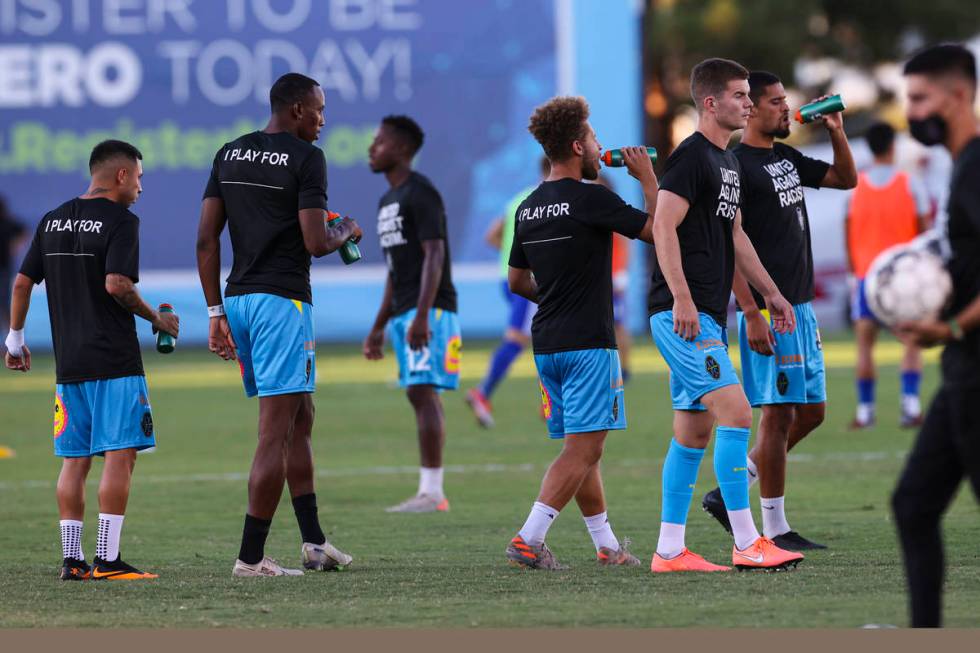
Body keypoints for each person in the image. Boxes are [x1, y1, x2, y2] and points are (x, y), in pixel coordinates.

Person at [197, 72, 362, 577]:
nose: (322, 120)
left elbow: (207, 241)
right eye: (318, 110)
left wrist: (215, 313)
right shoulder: (307, 158)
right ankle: (250, 558)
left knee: (300, 417)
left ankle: (313, 543)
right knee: (274, 434)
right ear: (295, 110)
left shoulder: (230, 152)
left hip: (241, 301)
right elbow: (316, 242)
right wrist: (345, 229)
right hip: (282, 303)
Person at [647, 58, 803, 572]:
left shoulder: (728, 162)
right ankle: (746, 542)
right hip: (683, 315)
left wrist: (773, 295)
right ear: (710, 103)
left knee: (692, 433)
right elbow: (663, 227)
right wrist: (683, 299)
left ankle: (670, 550)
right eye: (740, 95)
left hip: (706, 314)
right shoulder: (689, 159)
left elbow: (736, 237)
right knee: (737, 413)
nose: (749, 104)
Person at [4, 140, 179, 580]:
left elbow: (23, 283)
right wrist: (156, 319)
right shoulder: (122, 221)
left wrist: (14, 338)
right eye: (139, 176)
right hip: (114, 361)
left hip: (70, 365)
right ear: (121, 175)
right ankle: (107, 559)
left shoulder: (51, 219)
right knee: (120, 457)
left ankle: (72, 561)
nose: (141, 186)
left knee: (74, 460)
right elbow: (117, 284)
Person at [700, 71, 857, 551]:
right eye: (775, 102)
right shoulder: (737, 165)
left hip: (801, 309)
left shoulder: (785, 157)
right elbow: (728, 241)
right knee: (777, 416)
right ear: (753, 110)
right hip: (770, 311)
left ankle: (731, 494)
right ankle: (775, 528)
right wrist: (749, 311)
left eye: (785, 101)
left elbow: (844, 179)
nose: (786, 109)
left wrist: (835, 130)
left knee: (812, 413)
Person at [503, 96, 656, 569]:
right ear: (576, 144)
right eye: (592, 138)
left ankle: (607, 547)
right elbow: (658, 229)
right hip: (589, 344)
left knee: (582, 445)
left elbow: (515, 281)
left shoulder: (529, 208)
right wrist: (648, 179)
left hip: (547, 344)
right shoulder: (591, 198)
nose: (599, 146)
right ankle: (530, 537)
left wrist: (553, 299)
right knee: (585, 446)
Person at [891, 43, 980, 628]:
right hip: (962, 369)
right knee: (914, 504)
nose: (913, 111)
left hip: (978, 368)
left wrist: (948, 324)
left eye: (921, 98)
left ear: (958, 94)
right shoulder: (959, 166)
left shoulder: (976, 165)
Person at [364, 115, 461, 513]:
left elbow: (433, 255)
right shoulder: (387, 200)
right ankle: (430, 491)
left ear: (402, 149)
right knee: (418, 392)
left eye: (380, 141)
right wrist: (378, 325)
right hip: (406, 311)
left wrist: (423, 315)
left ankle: (432, 492)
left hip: (430, 311)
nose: (372, 147)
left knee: (422, 392)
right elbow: (395, 269)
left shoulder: (421, 193)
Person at [846, 122, 933, 429]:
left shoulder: (855, 186)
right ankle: (910, 408)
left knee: (864, 345)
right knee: (911, 341)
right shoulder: (910, 183)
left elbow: (848, 231)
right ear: (893, 146)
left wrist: (854, 271)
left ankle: (864, 413)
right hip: (902, 278)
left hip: (866, 276)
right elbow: (925, 231)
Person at [465, 157, 550, 428]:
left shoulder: (520, 198)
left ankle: (550, 403)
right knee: (517, 338)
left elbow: (492, 235)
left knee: (543, 337)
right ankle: (483, 392)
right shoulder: (546, 200)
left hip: (509, 277)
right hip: (528, 281)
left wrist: (511, 257)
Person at [597, 174, 634, 383]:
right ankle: (607, 366)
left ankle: (625, 368)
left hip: (613, 277)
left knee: (617, 324)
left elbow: (624, 243)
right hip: (598, 278)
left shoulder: (612, 208)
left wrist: (621, 274)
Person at [0, 195, 28, 336]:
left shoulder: (8, 223)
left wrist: (16, 246)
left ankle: (9, 339)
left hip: (4, 270)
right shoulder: (8, 222)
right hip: (5, 269)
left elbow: (23, 231)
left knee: (4, 305)